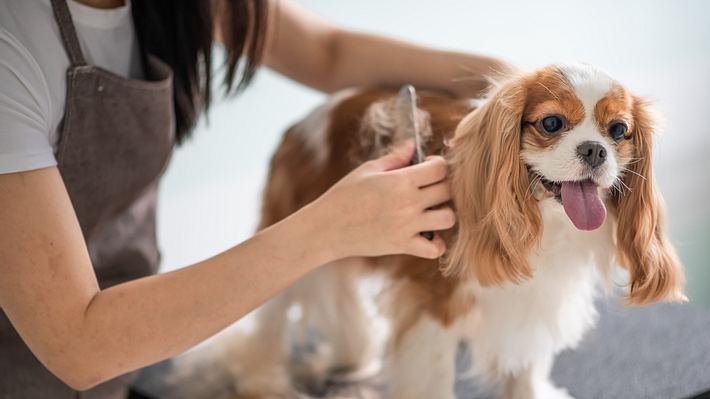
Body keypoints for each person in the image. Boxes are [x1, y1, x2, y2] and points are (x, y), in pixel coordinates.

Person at [0, 0, 507, 397]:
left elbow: (327, 52)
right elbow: (79, 345)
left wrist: (507, 81)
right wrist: (330, 227)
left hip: (138, 348)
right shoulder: (12, 48)